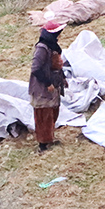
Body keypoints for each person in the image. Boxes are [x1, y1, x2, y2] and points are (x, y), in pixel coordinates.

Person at [29, 19, 68, 152]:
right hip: (43, 89)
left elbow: (56, 64)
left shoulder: (52, 46)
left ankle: (49, 138)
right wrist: (47, 83)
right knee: (43, 116)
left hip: (53, 85)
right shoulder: (42, 48)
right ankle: (43, 145)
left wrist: (62, 79)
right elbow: (36, 68)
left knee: (52, 113)